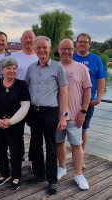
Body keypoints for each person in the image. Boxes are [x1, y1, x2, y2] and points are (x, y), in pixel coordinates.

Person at [24, 36, 68, 195]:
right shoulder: (31, 68)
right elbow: (25, 89)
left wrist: (64, 115)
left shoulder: (57, 67)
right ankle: (38, 174)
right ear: (35, 50)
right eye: (39, 48)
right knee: (35, 145)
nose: (41, 50)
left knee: (51, 147)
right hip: (34, 113)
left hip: (50, 113)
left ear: (50, 49)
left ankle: (51, 180)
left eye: (45, 47)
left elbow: (64, 92)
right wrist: (26, 113)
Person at [0, 56, 30, 190]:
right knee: (0, 149)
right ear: (2, 70)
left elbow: (25, 106)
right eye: (8, 68)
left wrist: (10, 121)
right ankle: (4, 174)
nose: (11, 71)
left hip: (15, 124)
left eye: (14, 68)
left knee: (16, 150)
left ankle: (16, 176)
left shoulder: (22, 85)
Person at [57, 39, 92, 190]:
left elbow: (87, 91)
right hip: (56, 116)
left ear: (73, 50)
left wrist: (83, 111)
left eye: (69, 49)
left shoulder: (82, 68)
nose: (66, 52)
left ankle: (79, 174)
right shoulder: (54, 67)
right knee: (59, 143)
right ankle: (62, 167)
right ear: (58, 50)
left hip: (75, 115)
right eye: (63, 49)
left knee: (77, 145)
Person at [73, 33, 107, 169]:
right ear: (76, 43)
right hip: (70, 103)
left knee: (83, 129)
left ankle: (80, 159)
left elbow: (101, 79)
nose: (82, 44)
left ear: (89, 44)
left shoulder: (96, 59)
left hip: (87, 103)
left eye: (85, 42)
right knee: (64, 130)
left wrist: (98, 98)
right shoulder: (71, 56)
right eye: (80, 42)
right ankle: (62, 159)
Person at [11, 30, 38, 169]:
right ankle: (19, 157)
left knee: (36, 132)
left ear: (34, 39)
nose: (28, 40)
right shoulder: (14, 55)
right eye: (26, 38)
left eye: (31, 38)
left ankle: (33, 159)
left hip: (35, 100)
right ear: (21, 39)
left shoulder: (39, 56)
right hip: (17, 99)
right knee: (17, 131)